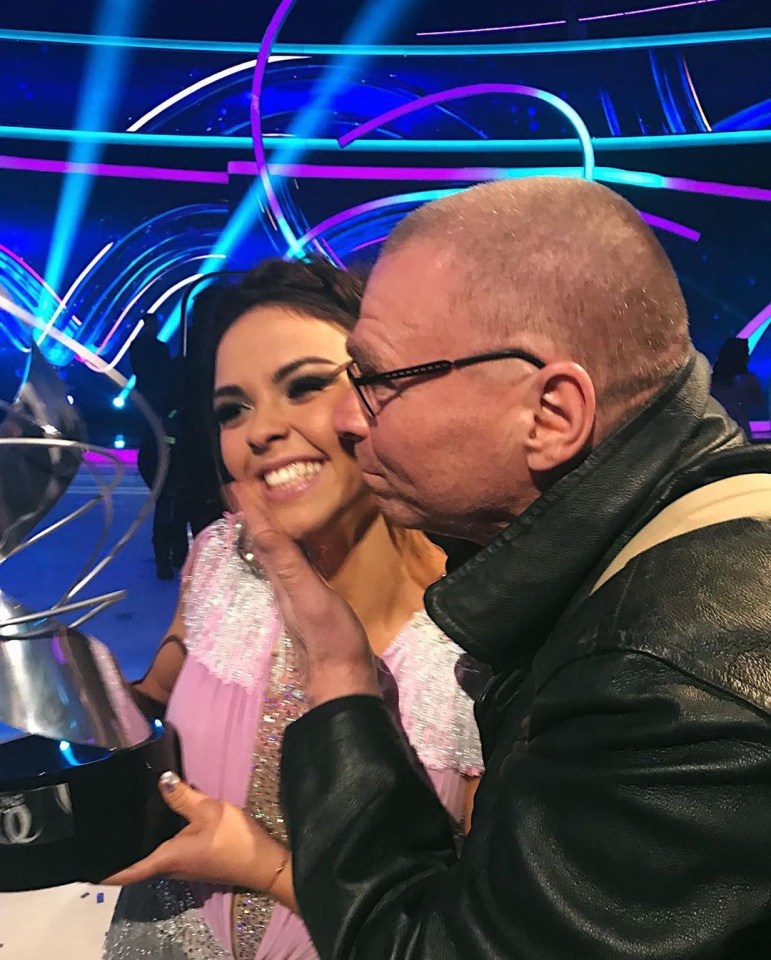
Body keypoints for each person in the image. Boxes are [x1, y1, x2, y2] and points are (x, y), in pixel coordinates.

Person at [108, 177, 771, 959]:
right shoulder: (629, 564)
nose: (349, 421)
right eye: (232, 407)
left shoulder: (657, 673)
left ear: (549, 415)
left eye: (375, 379)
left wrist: (341, 683)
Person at [103, 257, 482, 960]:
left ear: (389, 392)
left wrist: (267, 870)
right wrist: (69, 703)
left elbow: (472, 933)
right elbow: (154, 697)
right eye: (231, 410)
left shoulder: (481, 637)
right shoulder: (220, 557)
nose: (259, 432)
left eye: (304, 386)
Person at [710, 336, 764, 438]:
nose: (748, 356)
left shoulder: (711, 381)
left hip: (722, 433)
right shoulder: (747, 380)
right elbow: (758, 404)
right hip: (734, 433)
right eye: (746, 353)